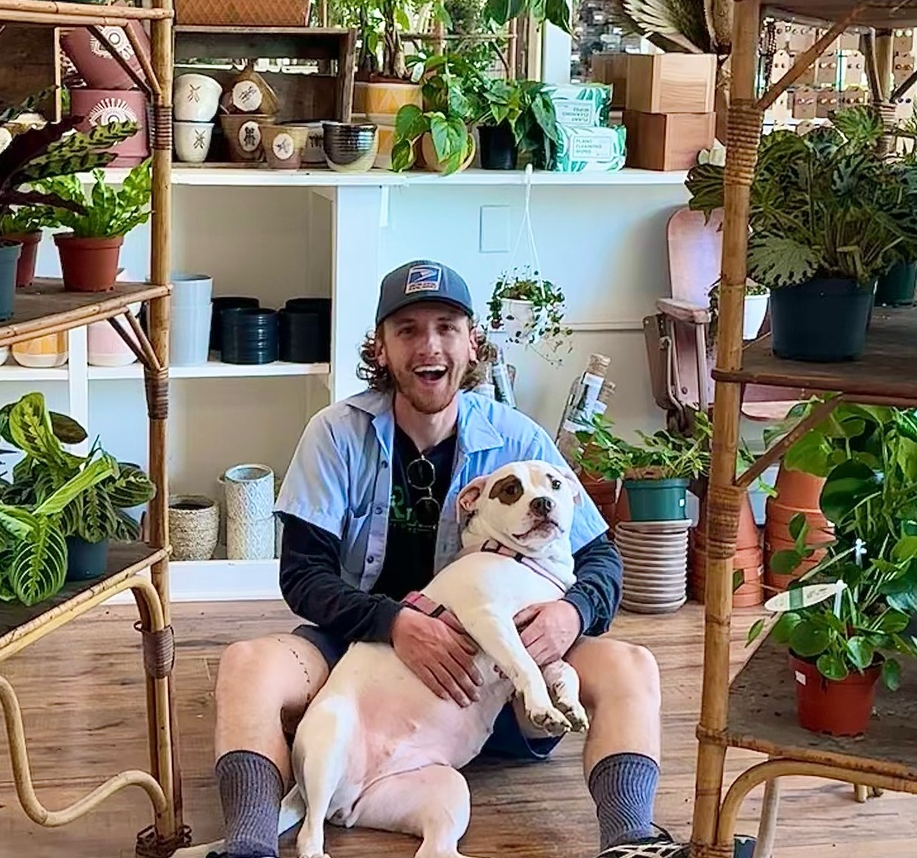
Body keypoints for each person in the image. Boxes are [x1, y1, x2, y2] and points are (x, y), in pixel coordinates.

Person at [205, 260, 712, 858]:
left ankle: (631, 842)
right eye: (408, 330)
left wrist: (569, 616)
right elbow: (302, 574)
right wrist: (395, 624)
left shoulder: (519, 440)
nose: (429, 346)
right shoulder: (335, 433)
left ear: (473, 344)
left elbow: (601, 557)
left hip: (500, 678)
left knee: (633, 665)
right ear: (382, 348)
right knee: (247, 666)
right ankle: (248, 845)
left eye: (446, 327)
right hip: (365, 660)